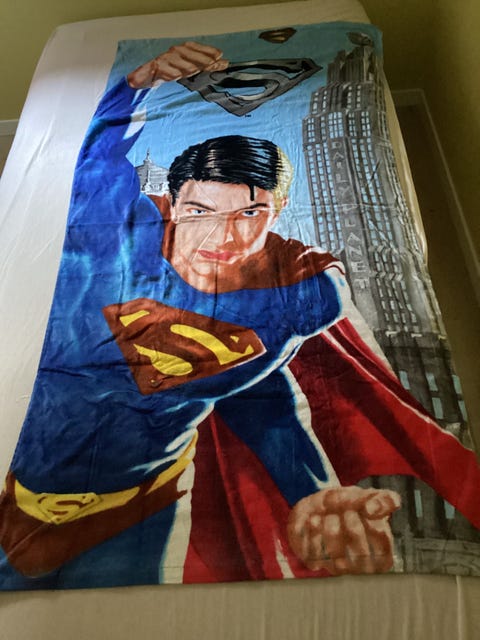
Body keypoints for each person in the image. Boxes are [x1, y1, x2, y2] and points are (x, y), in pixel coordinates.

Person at [0, 43, 478, 589]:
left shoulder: (293, 296)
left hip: (141, 507)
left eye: (250, 212)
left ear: (277, 212)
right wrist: (135, 84)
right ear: (172, 204)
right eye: (199, 210)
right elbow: (101, 157)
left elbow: (258, 393)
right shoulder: (115, 241)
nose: (221, 237)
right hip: (25, 487)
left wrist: (311, 492)